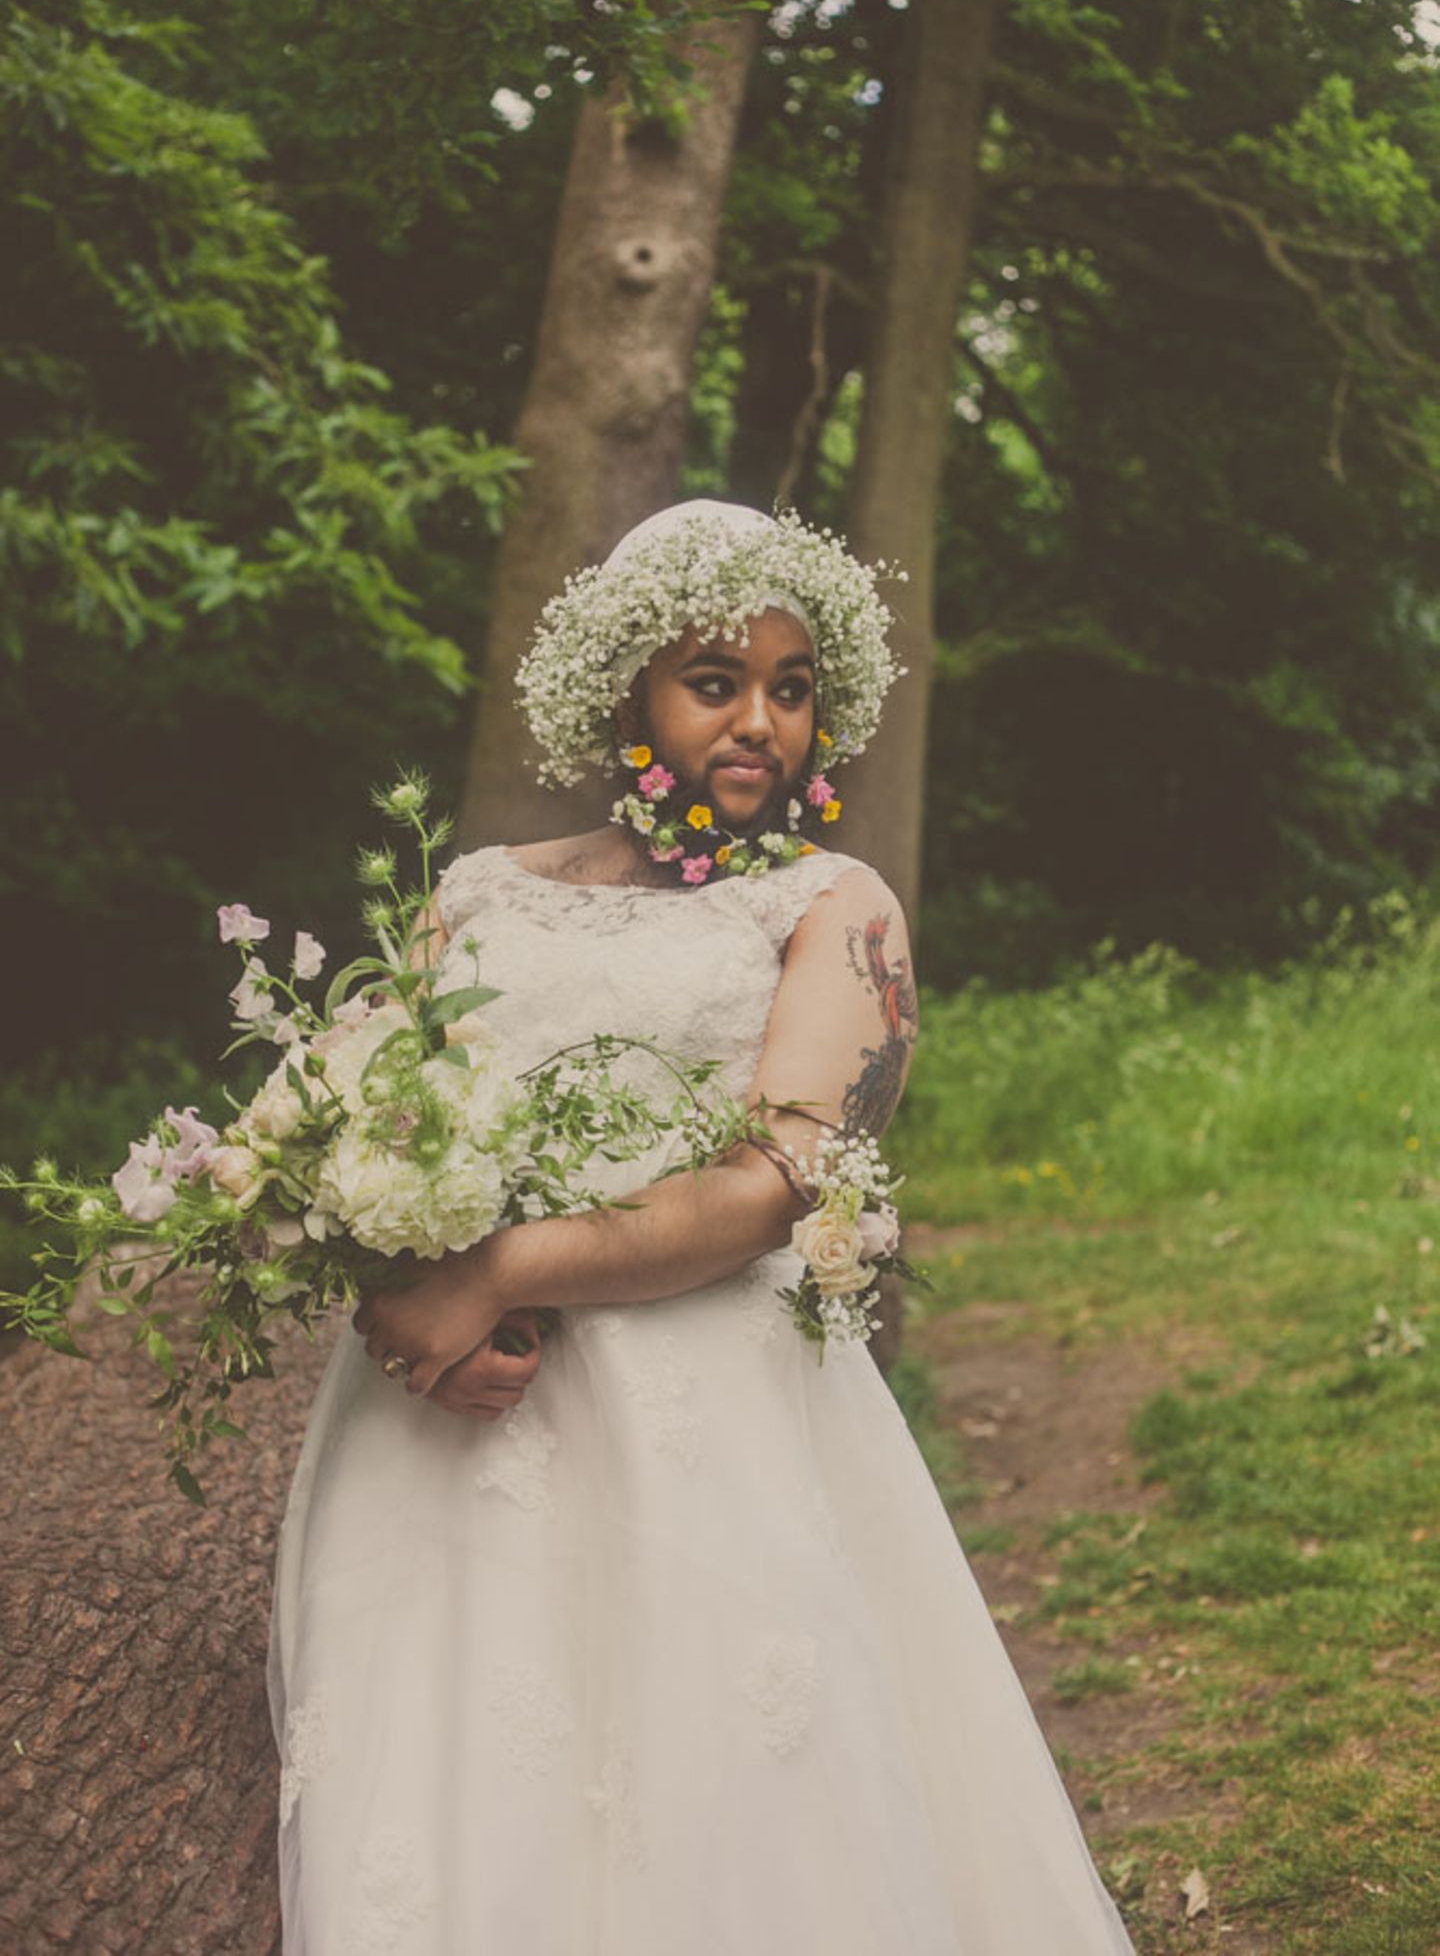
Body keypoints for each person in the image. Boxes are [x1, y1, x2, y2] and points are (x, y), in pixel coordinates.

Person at [268, 499, 1135, 1954]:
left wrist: (499, 1269)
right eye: (716, 679)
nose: (760, 723)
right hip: (445, 1435)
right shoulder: (479, 894)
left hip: (714, 1440)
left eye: (793, 688)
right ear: (630, 692)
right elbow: (365, 1129)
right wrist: (397, 1299)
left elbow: (766, 1186)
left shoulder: (833, 907)